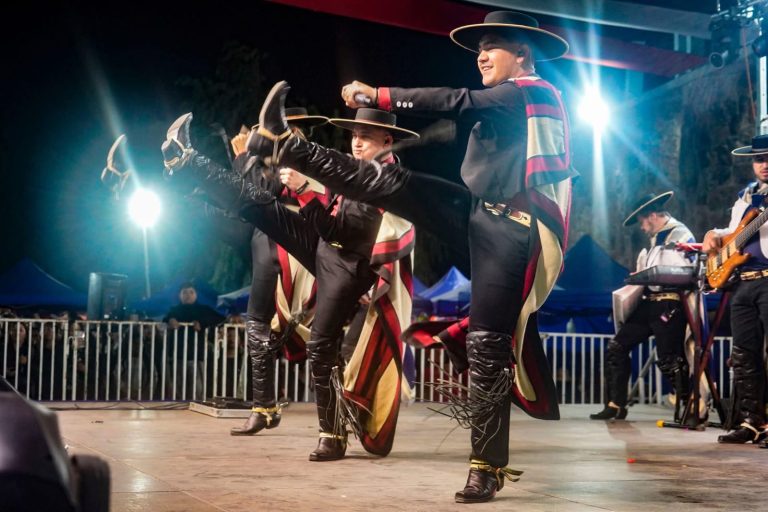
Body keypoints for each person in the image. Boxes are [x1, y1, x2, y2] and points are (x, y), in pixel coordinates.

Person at [247, 10, 574, 503]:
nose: (481, 56)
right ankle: (287, 145)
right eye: (479, 49)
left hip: (515, 230)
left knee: (487, 345)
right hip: (479, 213)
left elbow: (456, 101)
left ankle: (486, 467)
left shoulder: (530, 93)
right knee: (390, 181)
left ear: (522, 54)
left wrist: (377, 95)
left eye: (491, 47)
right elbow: (463, 117)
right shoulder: (510, 103)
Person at [161, 107, 417, 461]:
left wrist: (304, 190)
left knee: (322, 345)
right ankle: (187, 159)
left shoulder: (389, 180)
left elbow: (350, 230)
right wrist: (304, 191)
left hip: (348, 267)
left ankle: (332, 434)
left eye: (366, 137)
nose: (357, 143)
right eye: (355, 136)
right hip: (323, 246)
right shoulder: (348, 168)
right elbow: (325, 219)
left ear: (387, 141)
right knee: (259, 206)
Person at [227, 108, 330, 437]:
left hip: (292, 248)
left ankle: (337, 417)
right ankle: (263, 407)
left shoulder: (300, 159)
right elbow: (245, 198)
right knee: (257, 324)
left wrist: (244, 157)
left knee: (319, 333)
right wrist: (244, 160)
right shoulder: (270, 161)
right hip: (267, 246)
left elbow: (262, 193)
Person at [590, 192, 695, 421]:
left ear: (653, 215)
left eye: (642, 221)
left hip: (670, 303)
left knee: (670, 358)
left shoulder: (680, 233)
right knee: (617, 347)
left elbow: (685, 271)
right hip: (650, 302)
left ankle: (690, 407)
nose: (641, 227)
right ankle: (616, 404)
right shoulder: (655, 240)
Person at [703, 134, 768, 445]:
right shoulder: (746, 196)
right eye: (759, 159)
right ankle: (753, 422)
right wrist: (713, 234)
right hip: (744, 281)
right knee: (743, 354)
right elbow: (733, 232)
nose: (764, 164)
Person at [163, 282, 224, 400]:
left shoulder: (204, 309)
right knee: (178, 389)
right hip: (178, 355)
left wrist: (202, 322)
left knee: (198, 389)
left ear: (196, 295)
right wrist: (170, 320)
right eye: (185, 292)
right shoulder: (174, 310)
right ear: (180, 295)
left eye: (191, 292)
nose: (188, 295)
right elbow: (165, 319)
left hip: (198, 355)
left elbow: (219, 318)